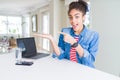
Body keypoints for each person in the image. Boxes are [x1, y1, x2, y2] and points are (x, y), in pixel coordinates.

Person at [34, 0, 99, 68]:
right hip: (69, 68)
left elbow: (89, 61)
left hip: (85, 70)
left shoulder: (93, 35)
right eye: (70, 17)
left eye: (77, 17)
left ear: (83, 17)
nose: (73, 21)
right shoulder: (65, 31)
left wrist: (74, 43)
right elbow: (60, 54)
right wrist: (51, 39)